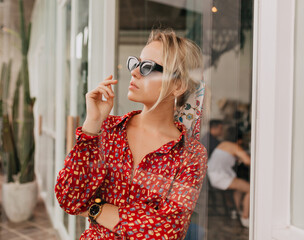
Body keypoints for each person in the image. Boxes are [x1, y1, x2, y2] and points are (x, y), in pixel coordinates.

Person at [55, 29, 208, 239]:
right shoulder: (107, 131)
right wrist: (92, 124)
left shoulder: (190, 155)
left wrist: (95, 208)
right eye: (136, 63)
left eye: (147, 67)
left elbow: (166, 232)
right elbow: (69, 198)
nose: (134, 72)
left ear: (177, 85)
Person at [207, 129, 251, 228]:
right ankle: (245, 217)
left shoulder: (223, 144)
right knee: (250, 189)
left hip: (213, 175)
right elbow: (248, 161)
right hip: (220, 177)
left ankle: (236, 211)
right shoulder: (235, 147)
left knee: (239, 187)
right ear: (239, 140)